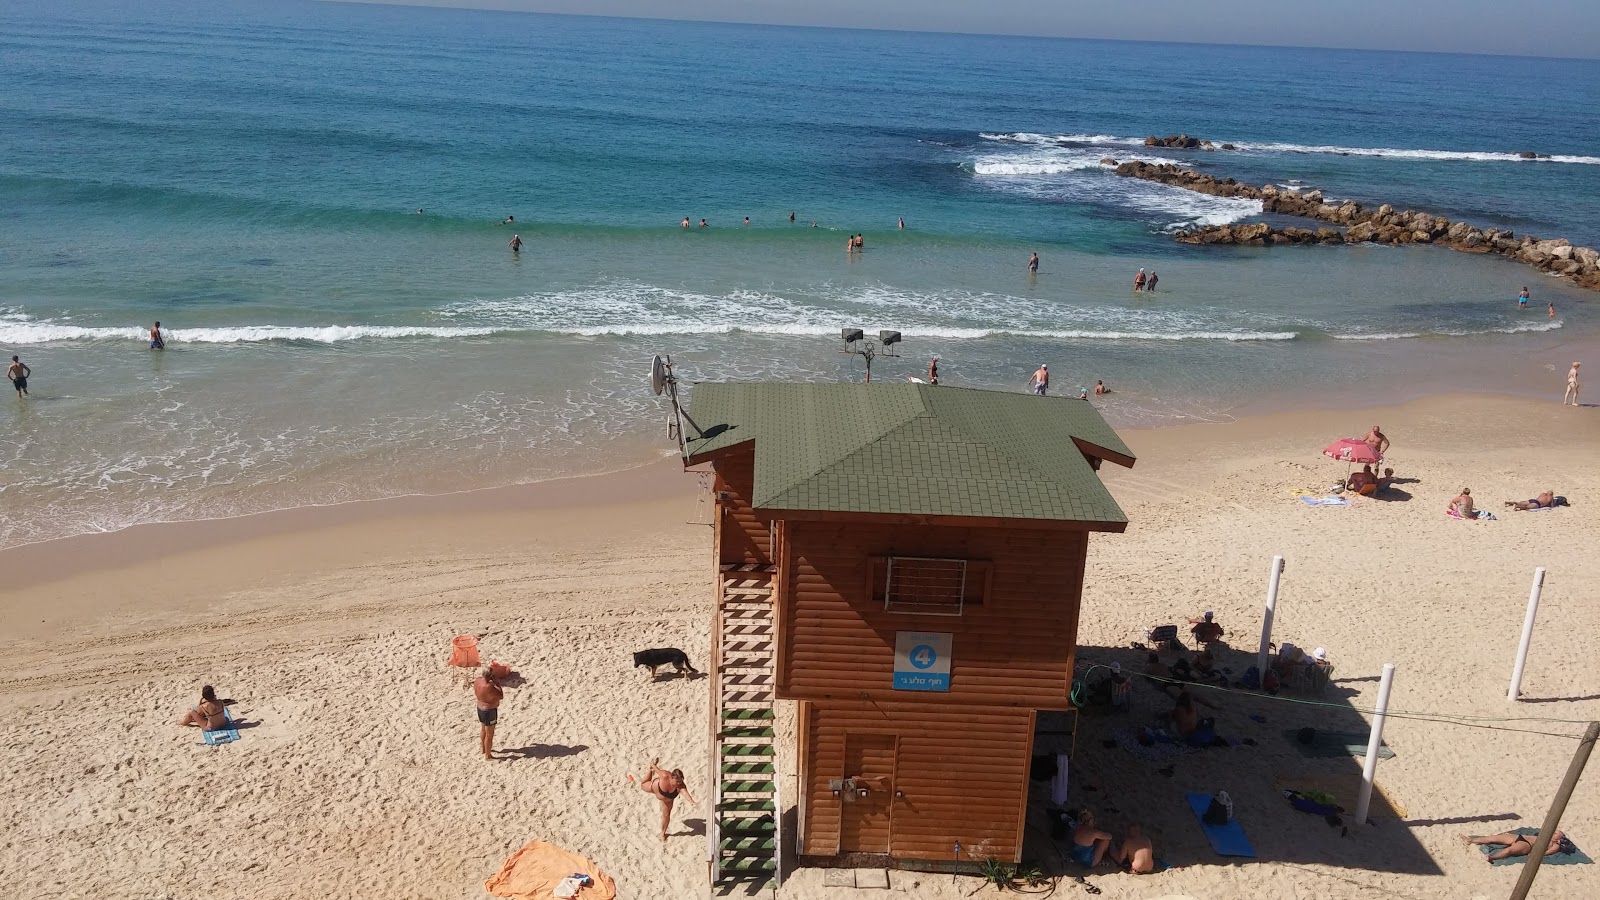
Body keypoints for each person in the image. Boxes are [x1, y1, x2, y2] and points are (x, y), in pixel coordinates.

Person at [628, 758, 697, 841]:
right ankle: (649, 770)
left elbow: (685, 793)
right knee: (642, 785)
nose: (679, 783)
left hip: (668, 799)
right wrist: (653, 765)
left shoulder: (681, 785)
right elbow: (657, 770)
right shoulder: (664, 775)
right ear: (671, 778)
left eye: (680, 781)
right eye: (677, 781)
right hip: (654, 788)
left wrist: (691, 801)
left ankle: (662, 834)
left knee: (666, 816)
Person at [1461, 830, 1570, 863]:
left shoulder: (1555, 845)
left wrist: (1534, 854)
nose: (1553, 833)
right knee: (1494, 838)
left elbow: (1545, 853)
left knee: (1510, 850)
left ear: (1559, 838)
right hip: (1520, 837)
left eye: (1556, 833)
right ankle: (1471, 840)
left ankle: (1492, 857)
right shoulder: (1547, 834)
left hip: (1526, 845)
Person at [474, 666, 503, 760]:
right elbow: (500, 695)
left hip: (480, 707)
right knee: (489, 734)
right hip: (489, 710)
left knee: (483, 729)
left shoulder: (477, 681)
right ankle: (488, 755)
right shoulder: (489, 686)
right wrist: (497, 684)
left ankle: (483, 749)